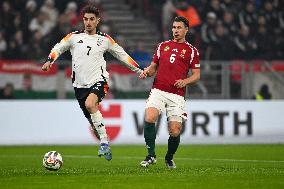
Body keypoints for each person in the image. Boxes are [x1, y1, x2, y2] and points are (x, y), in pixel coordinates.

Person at [42, 4, 144, 161]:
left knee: (91, 105)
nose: (88, 22)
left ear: (98, 20)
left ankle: (103, 142)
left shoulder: (105, 39)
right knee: (94, 124)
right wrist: (50, 60)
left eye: (91, 19)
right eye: (85, 19)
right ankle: (104, 139)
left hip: (99, 81)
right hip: (79, 86)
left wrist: (139, 70)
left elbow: (122, 55)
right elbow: (58, 48)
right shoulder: (73, 37)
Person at [139, 16, 200, 169]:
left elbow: (197, 75)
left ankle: (169, 157)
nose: (176, 30)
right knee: (150, 116)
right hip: (158, 90)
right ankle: (151, 155)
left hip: (177, 94)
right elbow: (153, 68)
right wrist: (147, 72)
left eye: (179, 28)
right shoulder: (162, 46)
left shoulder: (192, 51)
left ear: (186, 30)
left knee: (174, 131)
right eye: (174, 27)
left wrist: (185, 81)